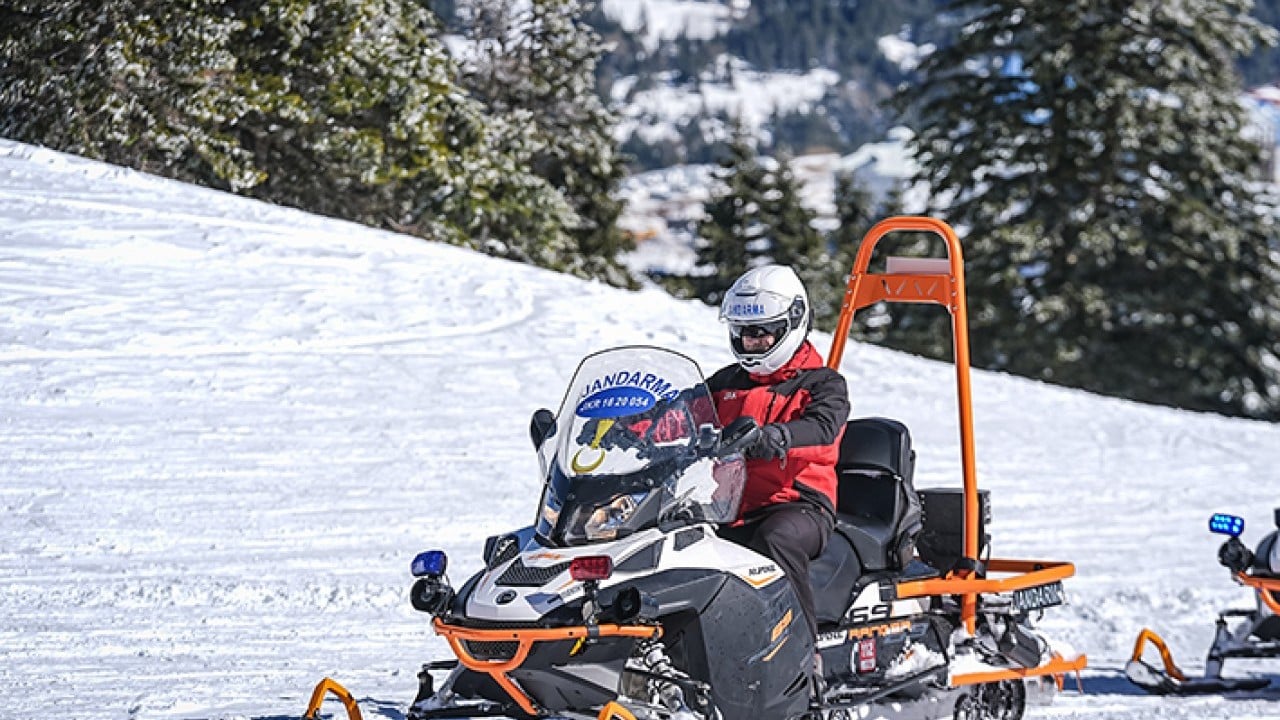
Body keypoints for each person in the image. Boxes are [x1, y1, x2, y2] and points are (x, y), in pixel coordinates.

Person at [708, 265, 850, 647]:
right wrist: (627, 426)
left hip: (798, 506)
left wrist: (779, 436)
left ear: (793, 324)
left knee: (775, 540)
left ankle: (802, 656)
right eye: (741, 332)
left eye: (760, 332)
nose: (750, 341)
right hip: (724, 506)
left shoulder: (822, 383)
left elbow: (823, 427)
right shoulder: (724, 384)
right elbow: (679, 416)